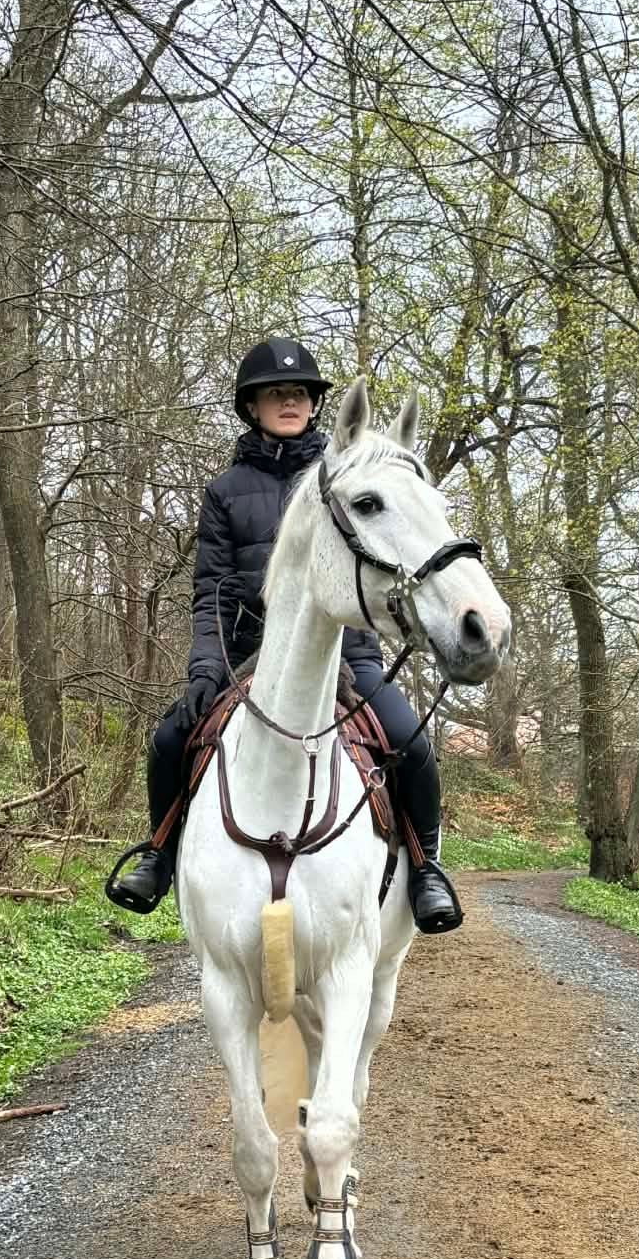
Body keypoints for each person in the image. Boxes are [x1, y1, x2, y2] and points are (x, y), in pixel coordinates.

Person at [105, 337, 464, 933]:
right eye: (276, 393)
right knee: (170, 738)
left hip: (349, 654)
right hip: (249, 654)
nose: (289, 401)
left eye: (299, 393)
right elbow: (214, 587)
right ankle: (160, 853)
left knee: (412, 744)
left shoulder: (347, 476)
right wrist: (204, 668)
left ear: (315, 404)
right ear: (253, 406)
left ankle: (425, 868)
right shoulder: (224, 493)